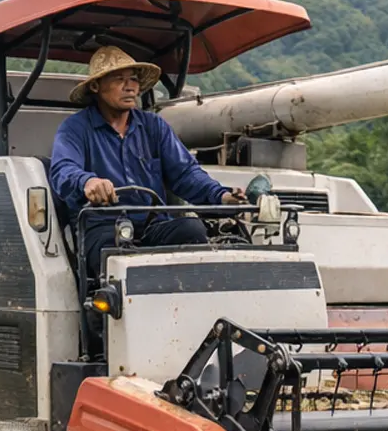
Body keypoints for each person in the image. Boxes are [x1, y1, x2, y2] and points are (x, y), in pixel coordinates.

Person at [47, 45, 243, 286]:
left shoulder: (154, 126)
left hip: (153, 226)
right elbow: (63, 170)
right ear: (96, 87)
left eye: (133, 80)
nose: (130, 86)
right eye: (120, 79)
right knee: (113, 253)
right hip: (104, 226)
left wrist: (222, 197)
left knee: (191, 230)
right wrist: (88, 181)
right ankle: (104, 320)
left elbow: (186, 173)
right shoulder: (75, 128)